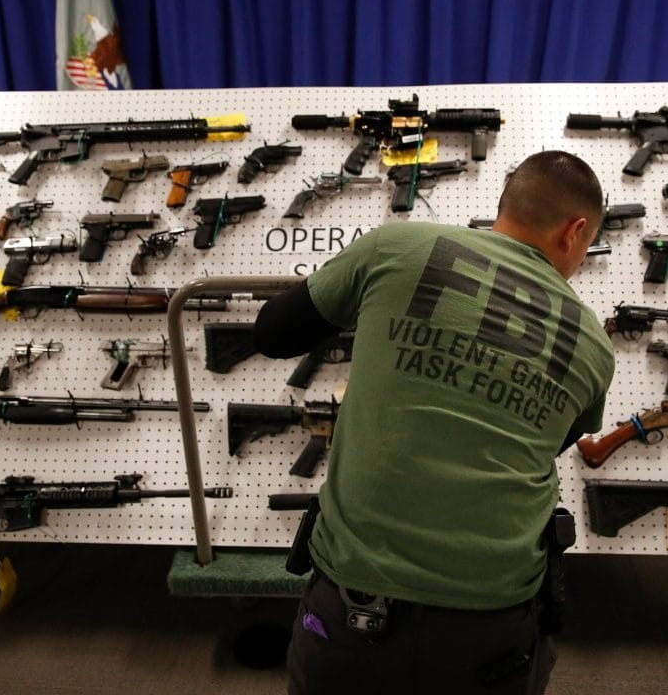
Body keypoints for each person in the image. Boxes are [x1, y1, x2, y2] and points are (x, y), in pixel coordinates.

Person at [254, 149, 615, 694]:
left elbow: (272, 333)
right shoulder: (592, 342)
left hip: (352, 606)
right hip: (492, 624)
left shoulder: (396, 246)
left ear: (505, 205)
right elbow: (549, 442)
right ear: (576, 231)